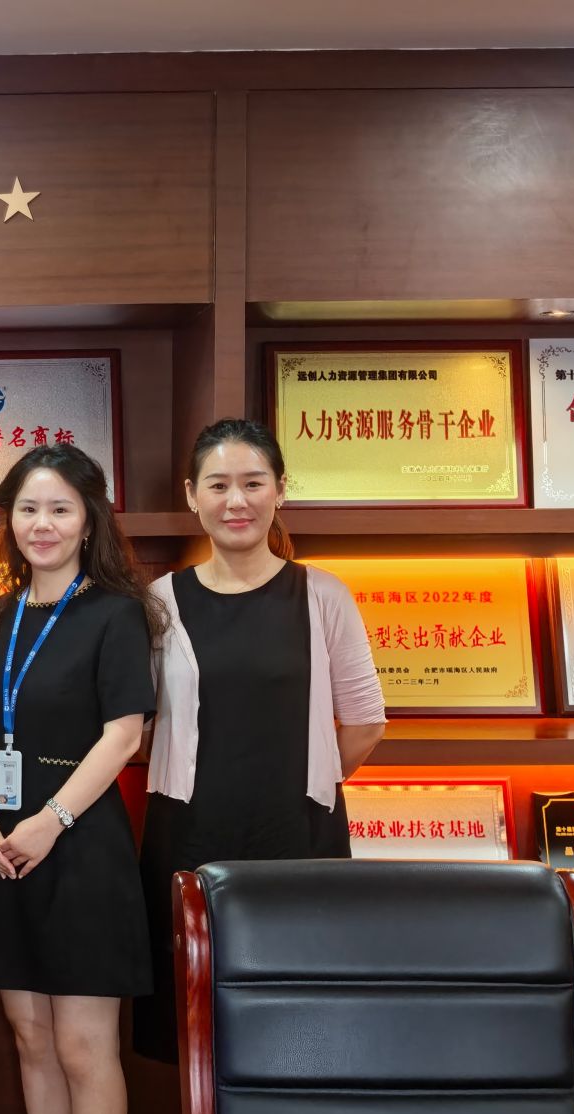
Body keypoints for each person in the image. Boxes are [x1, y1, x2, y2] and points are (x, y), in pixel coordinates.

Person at [0, 443, 157, 1114]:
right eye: (28, 509)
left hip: (78, 845)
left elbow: (124, 734)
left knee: (81, 1044)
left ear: (89, 519)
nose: (42, 524)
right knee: (31, 1038)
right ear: (10, 519)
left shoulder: (116, 612)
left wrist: (50, 819)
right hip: (3, 848)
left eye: (60, 509)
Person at [133, 418, 387, 1062]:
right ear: (192, 495)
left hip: (297, 837)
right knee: (194, 1022)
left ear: (280, 490)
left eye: (253, 483)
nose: (236, 501)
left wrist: (307, 782)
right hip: (187, 835)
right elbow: (140, 728)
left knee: (298, 1016)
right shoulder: (161, 601)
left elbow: (364, 721)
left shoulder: (322, 594)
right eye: (218, 485)